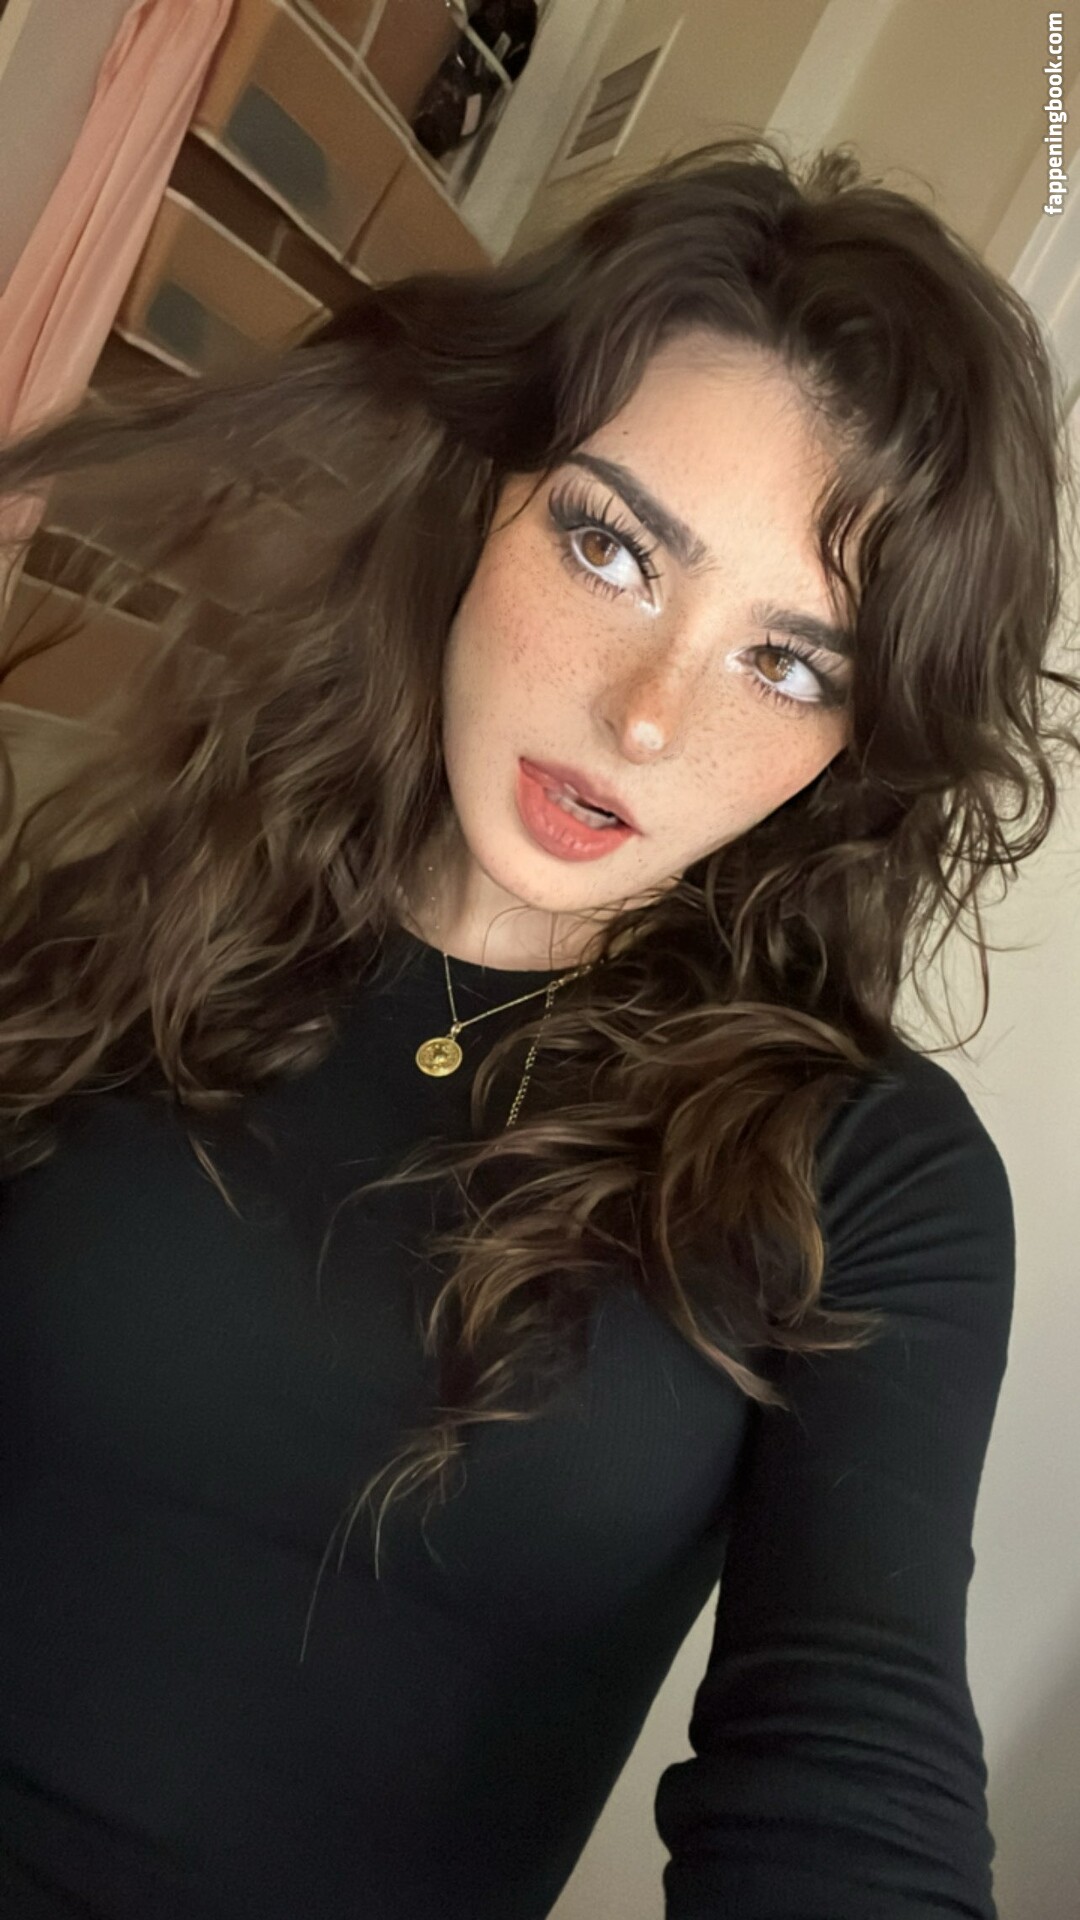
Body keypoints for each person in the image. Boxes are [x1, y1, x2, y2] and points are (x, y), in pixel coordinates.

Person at [0, 135, 1075, 1920]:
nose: (647, 718)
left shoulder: (866, 1177)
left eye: (788, 661)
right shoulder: (156, 910)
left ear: (855, 741)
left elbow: (849, 1761)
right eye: (612, 547)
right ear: (486, 488)